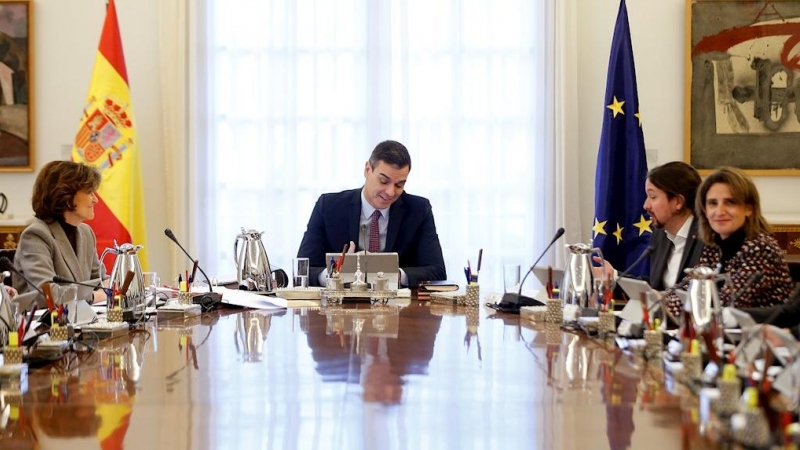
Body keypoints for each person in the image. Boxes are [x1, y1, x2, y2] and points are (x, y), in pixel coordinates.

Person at [297, 140, 446, 288]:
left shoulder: (418, 210)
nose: (390, 192)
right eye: (383, 181)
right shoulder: (329, 207)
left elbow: (437, 272)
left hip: (397, 308)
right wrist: (336, 273)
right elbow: (303, 270)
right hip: (340, 307)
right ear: (367, 170)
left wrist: (394, 274)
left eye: (399, 185)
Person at [663, 166, 793, 319]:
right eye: (712, 203)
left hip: (764, 337)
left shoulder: (760, 248)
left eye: (730, 202)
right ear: (704, 210)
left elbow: (727, 305)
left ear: (749, 209)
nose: (719, 211)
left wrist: (669, 305)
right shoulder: (714, 246)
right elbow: (686, 290)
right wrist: (660, 300)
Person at [596, 161, 704, 291]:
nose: (646, 205)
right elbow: (655, 287)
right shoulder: (660, 236)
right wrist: (613, 276)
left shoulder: (705, 240)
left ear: (678, 202)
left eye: (653, 196)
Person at [13, 161, 108, 308]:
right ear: (66, 196)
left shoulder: (86, 232)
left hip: (80, 323)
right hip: (45, 327)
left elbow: (101, 281)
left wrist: (109, 288)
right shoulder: (36, 235)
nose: (95, 199)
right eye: (89, 192)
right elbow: (47, 296)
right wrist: (94, 296)